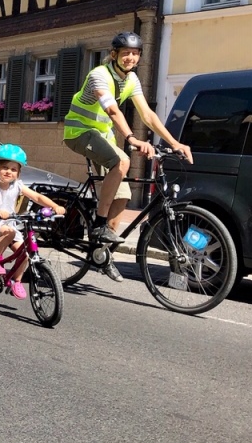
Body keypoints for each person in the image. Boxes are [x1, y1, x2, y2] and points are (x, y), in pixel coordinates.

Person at [62, 31, 193, 282]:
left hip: (103, 136)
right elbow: (112, 109)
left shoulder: (132, 79)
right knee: (122, 160)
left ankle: (101, 254)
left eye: (135, 53)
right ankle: (99, 224)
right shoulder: (99, 75)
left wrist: (175, 143)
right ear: (114, 55)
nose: (130, 58)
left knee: (123, 196)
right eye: (126, 53)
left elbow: (148, 115)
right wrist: (132, 138)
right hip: (78, 131)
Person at [0, 145, 66, 298]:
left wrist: (54, 206)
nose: (9, 171)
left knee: (26, 251)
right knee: (8, 232)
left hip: (9, 222)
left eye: (13, 169)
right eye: (5, 167)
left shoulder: (18, 185)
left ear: (19, 173)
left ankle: (17, 280)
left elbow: (37, 197)